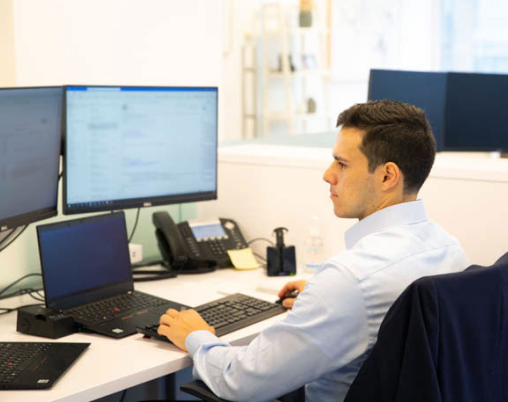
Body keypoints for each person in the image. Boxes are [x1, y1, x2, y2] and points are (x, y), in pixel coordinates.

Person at [158, 100, 470, 401]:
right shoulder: (449, 249)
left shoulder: (350, 280)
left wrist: (196, 336)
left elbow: (240, 381)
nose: (328, 174)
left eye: (342, 163)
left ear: (388, 176)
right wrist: (323, 299)